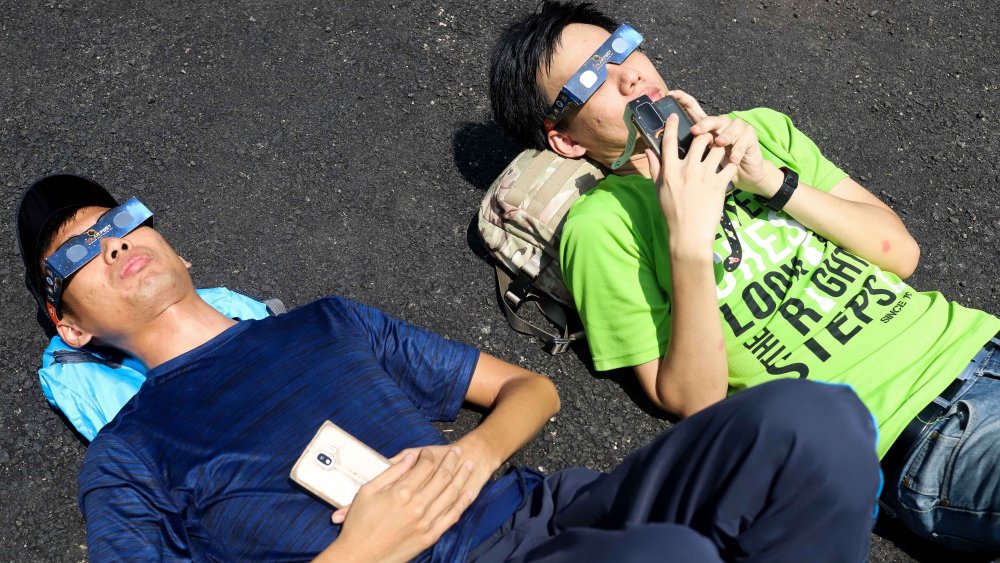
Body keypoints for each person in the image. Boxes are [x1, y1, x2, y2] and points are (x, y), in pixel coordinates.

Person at [15, 174, 880, 562]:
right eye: (80, 254)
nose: (114, 241)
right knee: (671, 556)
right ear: (71, 326)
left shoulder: (322, 322)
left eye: (119, 217)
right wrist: (364, 549)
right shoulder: (126, 459)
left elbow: (527, 387)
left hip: (545, 505)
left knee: (817, 422)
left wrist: (472, 456)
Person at [488, 0, 1000, 552]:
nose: (630, 73)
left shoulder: (758, 130)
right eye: (594, 77)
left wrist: (772, 182)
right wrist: (687, 238)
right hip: (927, 427)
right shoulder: (603, 226)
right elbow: (693, 399)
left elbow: (899, 252)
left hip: (979, 341)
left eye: (621, 49)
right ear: (565, 139)